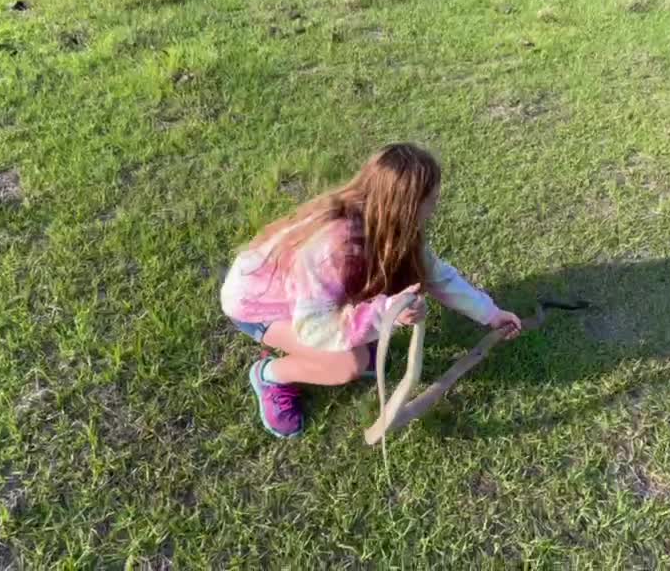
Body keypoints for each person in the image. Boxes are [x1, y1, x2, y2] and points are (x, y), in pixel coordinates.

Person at [220, 143, 522, 438]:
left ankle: (345, 343)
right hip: (258, 308)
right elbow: (316, 327)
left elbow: (436, 275)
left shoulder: (383, 220)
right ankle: (268, 375)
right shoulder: (331, 249)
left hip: (301, 300)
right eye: (431, 200)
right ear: (405, 205)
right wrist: (386, 314)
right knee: (348, 364)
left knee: (362, 335)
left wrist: (490, 314)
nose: (435, 207)